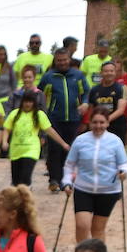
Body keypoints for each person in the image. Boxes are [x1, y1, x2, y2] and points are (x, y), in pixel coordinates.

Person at [64, 110, 127, 242]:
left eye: (102, 122)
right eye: (95, 122)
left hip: (108, 190)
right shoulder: (80, 140)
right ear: (89, 123)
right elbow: (69, 165)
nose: (98, 126)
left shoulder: (115, 141)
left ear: (107, 123)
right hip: (84, 189)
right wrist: (67, 182)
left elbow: (124, 164)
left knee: (97, 229)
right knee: (82, 225)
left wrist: (123, 172)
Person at [38, 50, 90, 192]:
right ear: (55, 61)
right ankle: (54, 179)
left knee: (69, 149)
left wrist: (85, 103)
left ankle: (66, 179)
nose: (62, 63)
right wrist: (42, 113)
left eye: (65, 60)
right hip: (54, 118)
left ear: (69, 59)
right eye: (59, 60)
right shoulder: (49, 77)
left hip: (73, 117)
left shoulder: (77, 75)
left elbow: (86, 92)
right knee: (55, 148)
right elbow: (39, 94)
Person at [3, 93, 70, 188]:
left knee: (25, 177)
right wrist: (4, 141)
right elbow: (7, 128)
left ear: (34, 103)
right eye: (26, 101)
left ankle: (26, 195)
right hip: (16, 150)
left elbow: (50, 131)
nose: (27, 104)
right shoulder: (15, 114)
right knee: (16, 181)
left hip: (31, 149)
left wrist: (63, 144)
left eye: (30, 102)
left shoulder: (39, 115)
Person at [84, 61, 127, 141]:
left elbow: (121, 110)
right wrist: (90, 123)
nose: (109, 73)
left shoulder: (122, 88)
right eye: (106, 71)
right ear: (101, 73)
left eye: (111, 71)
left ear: (115, 73)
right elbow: (91, 109)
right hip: (98, 126)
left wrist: (105, 121)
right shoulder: (94, 90)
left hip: (116, 126)